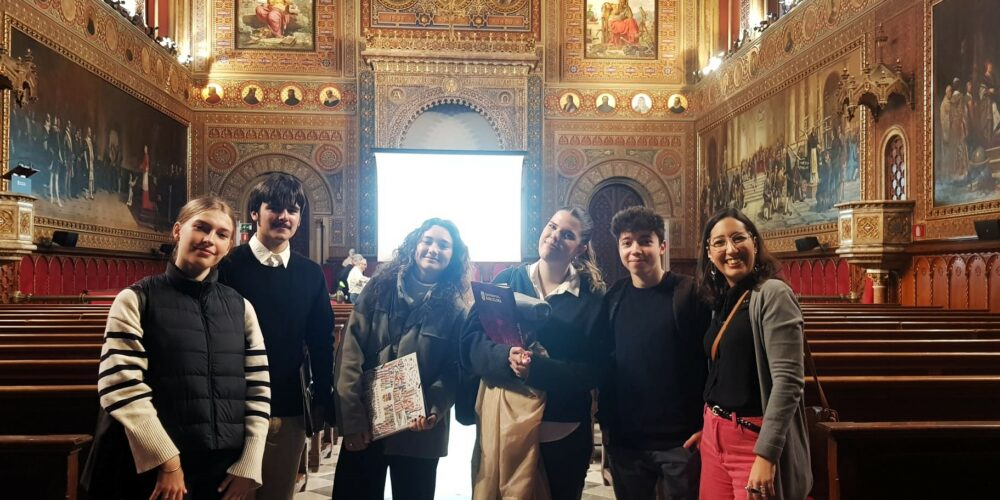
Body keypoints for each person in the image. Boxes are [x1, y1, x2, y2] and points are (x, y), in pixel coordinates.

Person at [95, 195, 271, 499]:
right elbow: (120, 385)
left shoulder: (241, 307)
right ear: (178, 231)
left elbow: (259, 387)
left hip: (226, 469)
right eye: (201, 227)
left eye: (222, 234)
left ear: (229, 246)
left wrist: (249, 463)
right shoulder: (136, 299)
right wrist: (167, 461)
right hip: (155, 467)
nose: (209, 239)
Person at [461, 207, 606, 500]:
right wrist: (505, 357)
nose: (555, 236)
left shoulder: (592, 297)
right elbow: (470, 343)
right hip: (504, 428)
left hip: (563, 432)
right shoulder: (507, 281)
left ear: (580, 248)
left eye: (567, 235)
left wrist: (535, 369)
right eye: (552, 226)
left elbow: (594, 369)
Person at [333, 218, 471, 500]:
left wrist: (432, 408)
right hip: (366, 421)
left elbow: (454, 369)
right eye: (427, 241)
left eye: (443, 245)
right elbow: (349, 353)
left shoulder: (456, 308)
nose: (433, 249)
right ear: (415, 245)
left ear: (453, 255)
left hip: (418, 431)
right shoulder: (379, 287)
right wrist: (352, 419)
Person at [218, 173, 335, 500]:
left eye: (293, 210)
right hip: (232, 407)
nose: (285, 216)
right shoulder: (227, 265)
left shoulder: (310, 273)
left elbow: (321, 340)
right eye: (275, 208)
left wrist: (323, 399)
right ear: (255, 212)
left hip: (288, 405)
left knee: (278, 493)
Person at [595, 206, 710, 500]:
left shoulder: (689, 293)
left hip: (681, 441)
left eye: (645, 241)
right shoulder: (614, 297)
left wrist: (705, 425)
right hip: (627, 442)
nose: (635, 249)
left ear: (662, 246)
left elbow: (710, 362)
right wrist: (606, 425)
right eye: (627, 242)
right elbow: (606, 365)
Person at [696, 208, 811, 500]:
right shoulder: (722, 299)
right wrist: (710, 428)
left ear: (755, 243)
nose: (730, 249)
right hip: (714, 435)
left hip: (753, 440)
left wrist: (766, 454)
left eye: (738, 238)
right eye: (719, 242)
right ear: (709, 253)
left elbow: (788, 381)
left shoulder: (773, 294)